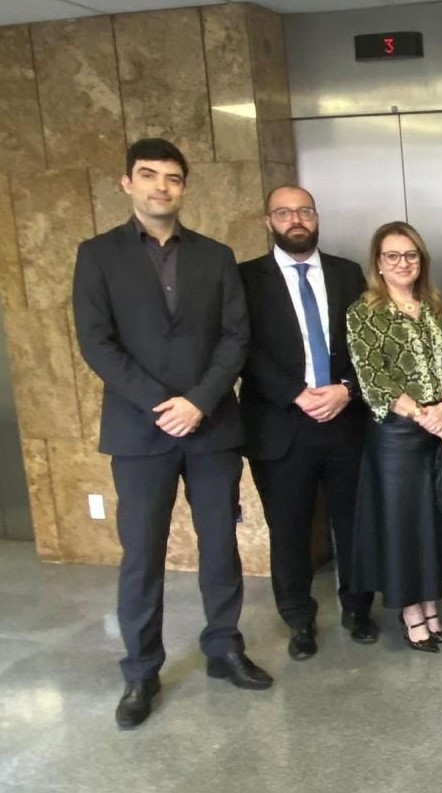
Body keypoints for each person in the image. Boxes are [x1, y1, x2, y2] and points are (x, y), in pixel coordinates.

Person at [71, 137, 271, 730]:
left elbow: (236, 337)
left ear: (184, 187)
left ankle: (224, 648)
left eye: (173, 177)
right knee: (142, 553)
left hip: (211, 428)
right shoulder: (97, 255)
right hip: (139, 431)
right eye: (149, 175)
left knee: (220, 544)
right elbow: (96, 342)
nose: (161, 186)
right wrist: (164, 405)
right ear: (126, 183)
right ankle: (141, 670)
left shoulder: (215, 256)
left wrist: (199, 402)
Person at [238, 185, 377, 662]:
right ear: (268, 221)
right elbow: (241, 348)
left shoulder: (347, 273)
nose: (295, 220)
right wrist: (295, 393)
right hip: (279, 426)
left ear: (316, 218)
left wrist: (347, 388)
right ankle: (299, 619)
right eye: (284, 212)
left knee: (354, 523)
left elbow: (366, 343)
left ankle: (358, 608)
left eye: (304, 211)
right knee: (289, 531)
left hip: (345, 420)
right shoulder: (245, 278)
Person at [346, 221, 442, 653]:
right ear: (378, 264)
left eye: (411, 255)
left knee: (432, 524)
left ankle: (432, 608)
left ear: (422, 261)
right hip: (396, 438)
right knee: (403, 527)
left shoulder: (438, 308)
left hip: (438, 427)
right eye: (393, 256)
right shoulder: (364, 312)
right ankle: (411, 614)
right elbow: (374, 382)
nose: (403, 263)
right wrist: (425, 416)